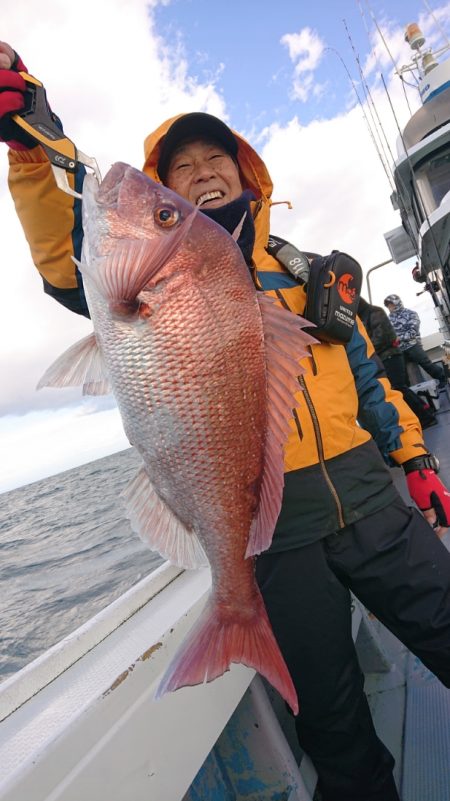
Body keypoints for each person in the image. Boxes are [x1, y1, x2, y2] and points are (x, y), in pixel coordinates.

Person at [2, 43, 450, 801]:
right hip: (278, 533)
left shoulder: (308, 269)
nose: (205, 171)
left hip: (371, 498)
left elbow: (369, 374)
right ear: (166, 188)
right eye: (182, 168)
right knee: (332, 719)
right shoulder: (141, 273)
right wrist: (29, 152)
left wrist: (416, 460)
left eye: (219, 158)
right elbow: (63, 255)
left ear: (247, 175)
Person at [358, 297, 437, 429]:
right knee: (400, 387)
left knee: (399, 387)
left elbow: (382, 337)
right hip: (384, 358)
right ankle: (426, 411)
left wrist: (365, 350)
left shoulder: (375, 312)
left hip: (391, 356)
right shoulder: (363, 318)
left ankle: (426, 417)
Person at [384, 293, 447, 389]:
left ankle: (443, 378)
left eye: (391, 305)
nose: (390, 307)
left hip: (413, 345)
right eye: (388, 306)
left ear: (397, 303)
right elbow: (388, 334)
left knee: (426, 364)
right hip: (399, 349)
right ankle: (407, 392)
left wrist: (399, 338)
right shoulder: (389, 319)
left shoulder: (411, 314)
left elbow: (413, 332)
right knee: (400, 373)